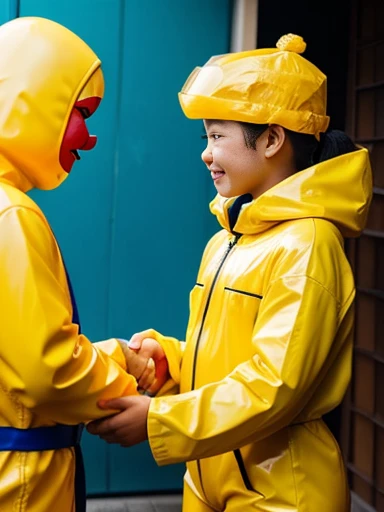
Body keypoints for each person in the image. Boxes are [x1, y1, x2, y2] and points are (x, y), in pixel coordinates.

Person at [88, 34, 372, 511]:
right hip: (208, 474)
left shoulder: (309, 244)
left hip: (281, 491)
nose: (206, 152)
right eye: (206, 137)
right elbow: (227, 357)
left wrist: (161, 422)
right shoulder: (228, 237)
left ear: (272, 139)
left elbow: (274, 385)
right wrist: (171, 364)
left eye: (217, 136)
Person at [0, 16, 151, 512]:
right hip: (22, 484)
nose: (88, 139)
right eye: (81, 112)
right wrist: (129, 381)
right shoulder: (11, 215)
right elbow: (45, 372)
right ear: (32, 102)